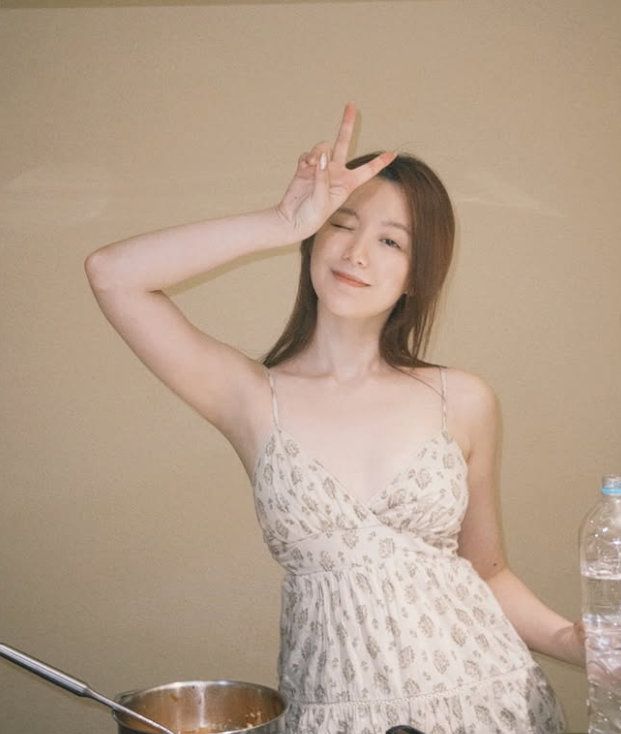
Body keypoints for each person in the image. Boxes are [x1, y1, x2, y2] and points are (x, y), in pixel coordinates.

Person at [84, 103, 585, 733]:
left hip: (487, 702)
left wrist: (574, 643)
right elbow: (113, 275)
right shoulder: (252, 398)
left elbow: (490, 573)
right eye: (340, 225)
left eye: (391, 241)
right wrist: (280, 221)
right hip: (333, 713)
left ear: (417, 274)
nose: (356, 253)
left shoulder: (462, 399)